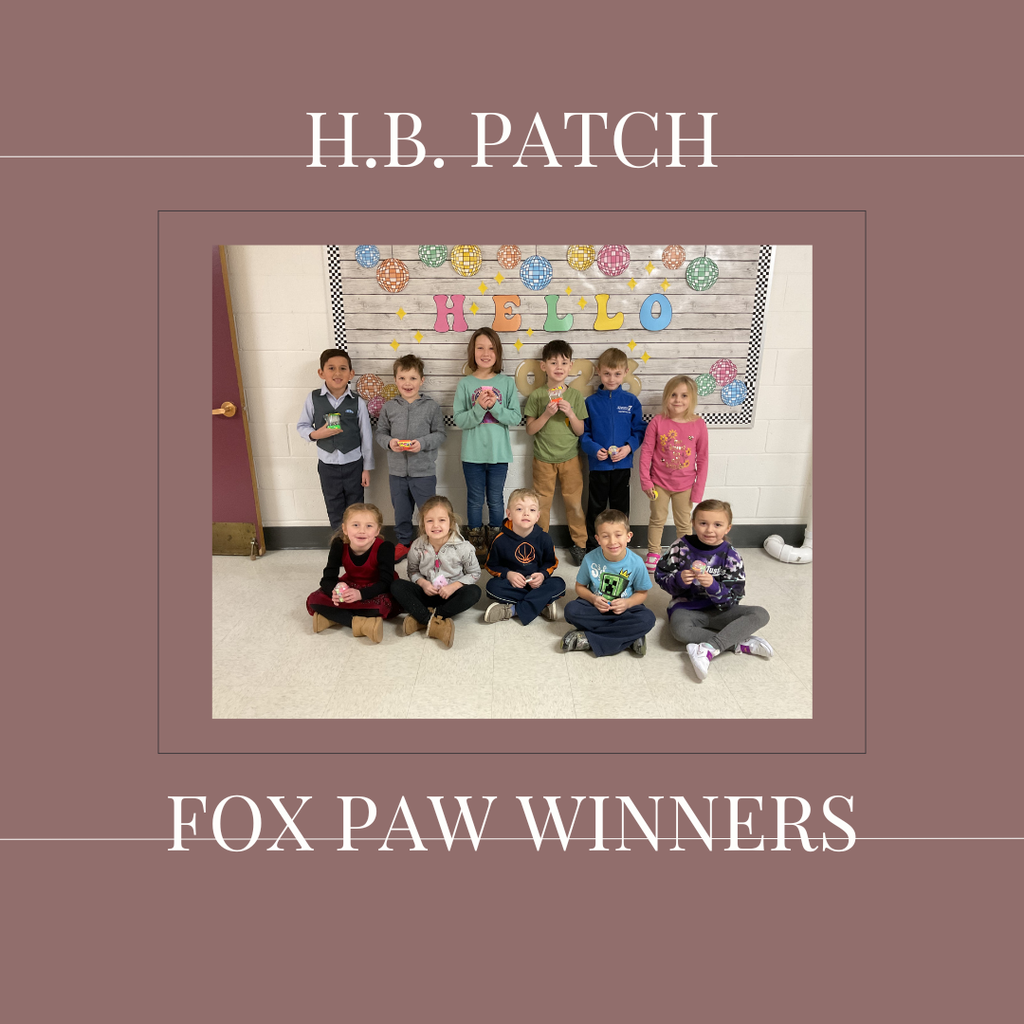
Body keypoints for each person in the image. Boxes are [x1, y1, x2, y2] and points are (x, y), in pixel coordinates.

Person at [653, 499, 772, 681]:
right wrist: (679, 580)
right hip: (686, 609)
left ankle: (708, 648)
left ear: (727, 528)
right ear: (693, 523)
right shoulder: (680, 547)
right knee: (680, 631)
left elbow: (734, 598)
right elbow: (660, 576)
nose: (709, 530)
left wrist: (713, 586)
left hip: (720, 611)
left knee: (760, 614)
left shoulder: (731, 555)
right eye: (703, 523)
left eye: (717, 525)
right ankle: (738, 643)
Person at [453, 327, 522, 561]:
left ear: (498, 352)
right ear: (472, 352)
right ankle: (475, 544)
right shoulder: (465, 384)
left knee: (495, 499)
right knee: (474, 499)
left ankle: (496, 541)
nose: (485, 353)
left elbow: (515, 417)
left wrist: (494, 406)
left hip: (499, 454)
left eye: (491, 348)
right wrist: (479, 407)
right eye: (480, 348)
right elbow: (460, 420)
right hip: (471, 455)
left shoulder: (506, 383)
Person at [374, 353, 446, 563]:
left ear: (421, 380)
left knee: (428, 512)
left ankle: (430, 543)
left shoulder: (431, 406)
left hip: (424, 472)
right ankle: (404, 543)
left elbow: (440, 434)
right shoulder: (389, 407)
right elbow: (380, 433)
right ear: (395, 380)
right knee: (401, 511)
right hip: (397, 473)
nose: (408, 383)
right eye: (402, 378)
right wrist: (389, 443)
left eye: (413, 378)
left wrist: (422, 443)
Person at [524, 339, 589, 567]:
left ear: (570, 366)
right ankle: (540, 544)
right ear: (543, 366)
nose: (558, 367)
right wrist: (546, 414)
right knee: (541, 505)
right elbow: (530, 429)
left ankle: (580, 544)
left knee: (574, 504)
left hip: (571, 459)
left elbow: (580, 430)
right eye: (553, 362)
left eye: (563, 362)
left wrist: (570, 413)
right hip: (543, 459)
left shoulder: (576, 397)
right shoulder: (537, 396)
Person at [296, 349, 374, 530]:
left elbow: (366, 436)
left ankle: (356, 541)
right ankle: (339, 540)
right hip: (327, 465)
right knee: (334, 506)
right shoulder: (313, 398)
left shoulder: (357, 401)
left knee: (356, 508)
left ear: (351, 374)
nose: (337, 373)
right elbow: (302, 425)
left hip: (354, 464)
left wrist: (366, 468)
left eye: (343, 368)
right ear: (321, 372)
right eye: (331, 368)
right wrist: (316, 434)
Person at [391, 495, 482, 649]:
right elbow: (412, 571)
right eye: (429, 521)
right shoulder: (417, 546)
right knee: (396, 585)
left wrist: (453, 586)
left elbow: (474, 573)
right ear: (423, 523)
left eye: (442, 520)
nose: (435, 525)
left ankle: (425, 617)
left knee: (474, 592)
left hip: (451, 595)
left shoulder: (463, 547)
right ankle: (432, 621)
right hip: (426, 593)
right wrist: (423, 583)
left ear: (451, 522)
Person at [638, 374, 709, 573]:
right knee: (657, 518)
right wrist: (646, 481)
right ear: (666, 396)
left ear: (692, 398)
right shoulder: (657, 422)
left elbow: (703, 459)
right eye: (673, 395)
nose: (678, 400)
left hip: (685, 485)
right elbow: (646, 454)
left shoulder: (699, 424)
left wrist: (698, 491)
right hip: (658, 483)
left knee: (684, 523)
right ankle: (654, 552)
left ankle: (684, 553)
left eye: (684, 396)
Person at [561, 509, 655, 657]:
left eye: (618, 535)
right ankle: (629, 637)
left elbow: (642, 593)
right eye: (605, 536)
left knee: (647, 618)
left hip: (624, 611)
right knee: (571, 610)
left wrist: (628, 603)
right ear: (598, 539)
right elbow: (580, 587)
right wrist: (593, 599)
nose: (612, 542)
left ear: (628, 536)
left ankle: (588, 640)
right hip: (596, 608)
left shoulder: (636, 562)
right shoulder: (590, 558)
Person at [580, 347, 645, 550]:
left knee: (620, 508)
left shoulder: (631, 401)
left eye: (617, 374)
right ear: (599, 371)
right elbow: (583, 433)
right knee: (596, 507)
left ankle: (621, 544)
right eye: (607, 373)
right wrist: (594, 449)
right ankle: (593, 546)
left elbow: (639, 430)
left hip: (622, 466)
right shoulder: (590, 402)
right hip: (598, 466)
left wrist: (628, 448)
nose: (611, 379)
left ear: (625, 372)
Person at [304, 503, 397, 644]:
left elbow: (386, 582)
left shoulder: (385, 547)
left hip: (375, 589)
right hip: (351, 584)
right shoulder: (339, 545)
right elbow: (327, 578)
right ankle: (361, 624)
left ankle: (333, 618)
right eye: (355, 525)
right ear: (345, 529)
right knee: (313, 600)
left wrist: (360, 594)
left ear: (377, 530)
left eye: (369, 526)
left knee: (383, 606)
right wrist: (334, 591)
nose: (362, 531)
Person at [482, 488, 566, 625]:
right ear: (509, 514)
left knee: (559, 584)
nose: (526, 513)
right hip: (512, 585)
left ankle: (513, 610)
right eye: (519, 509)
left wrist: (542, 575)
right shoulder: (499, 540)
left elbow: (551, 563)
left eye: (532, 510)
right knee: (492, 587)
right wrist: (508, 574)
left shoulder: (545, 538)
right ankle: (541, 605)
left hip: (537, 584)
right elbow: (491, 565)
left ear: (537, 516)